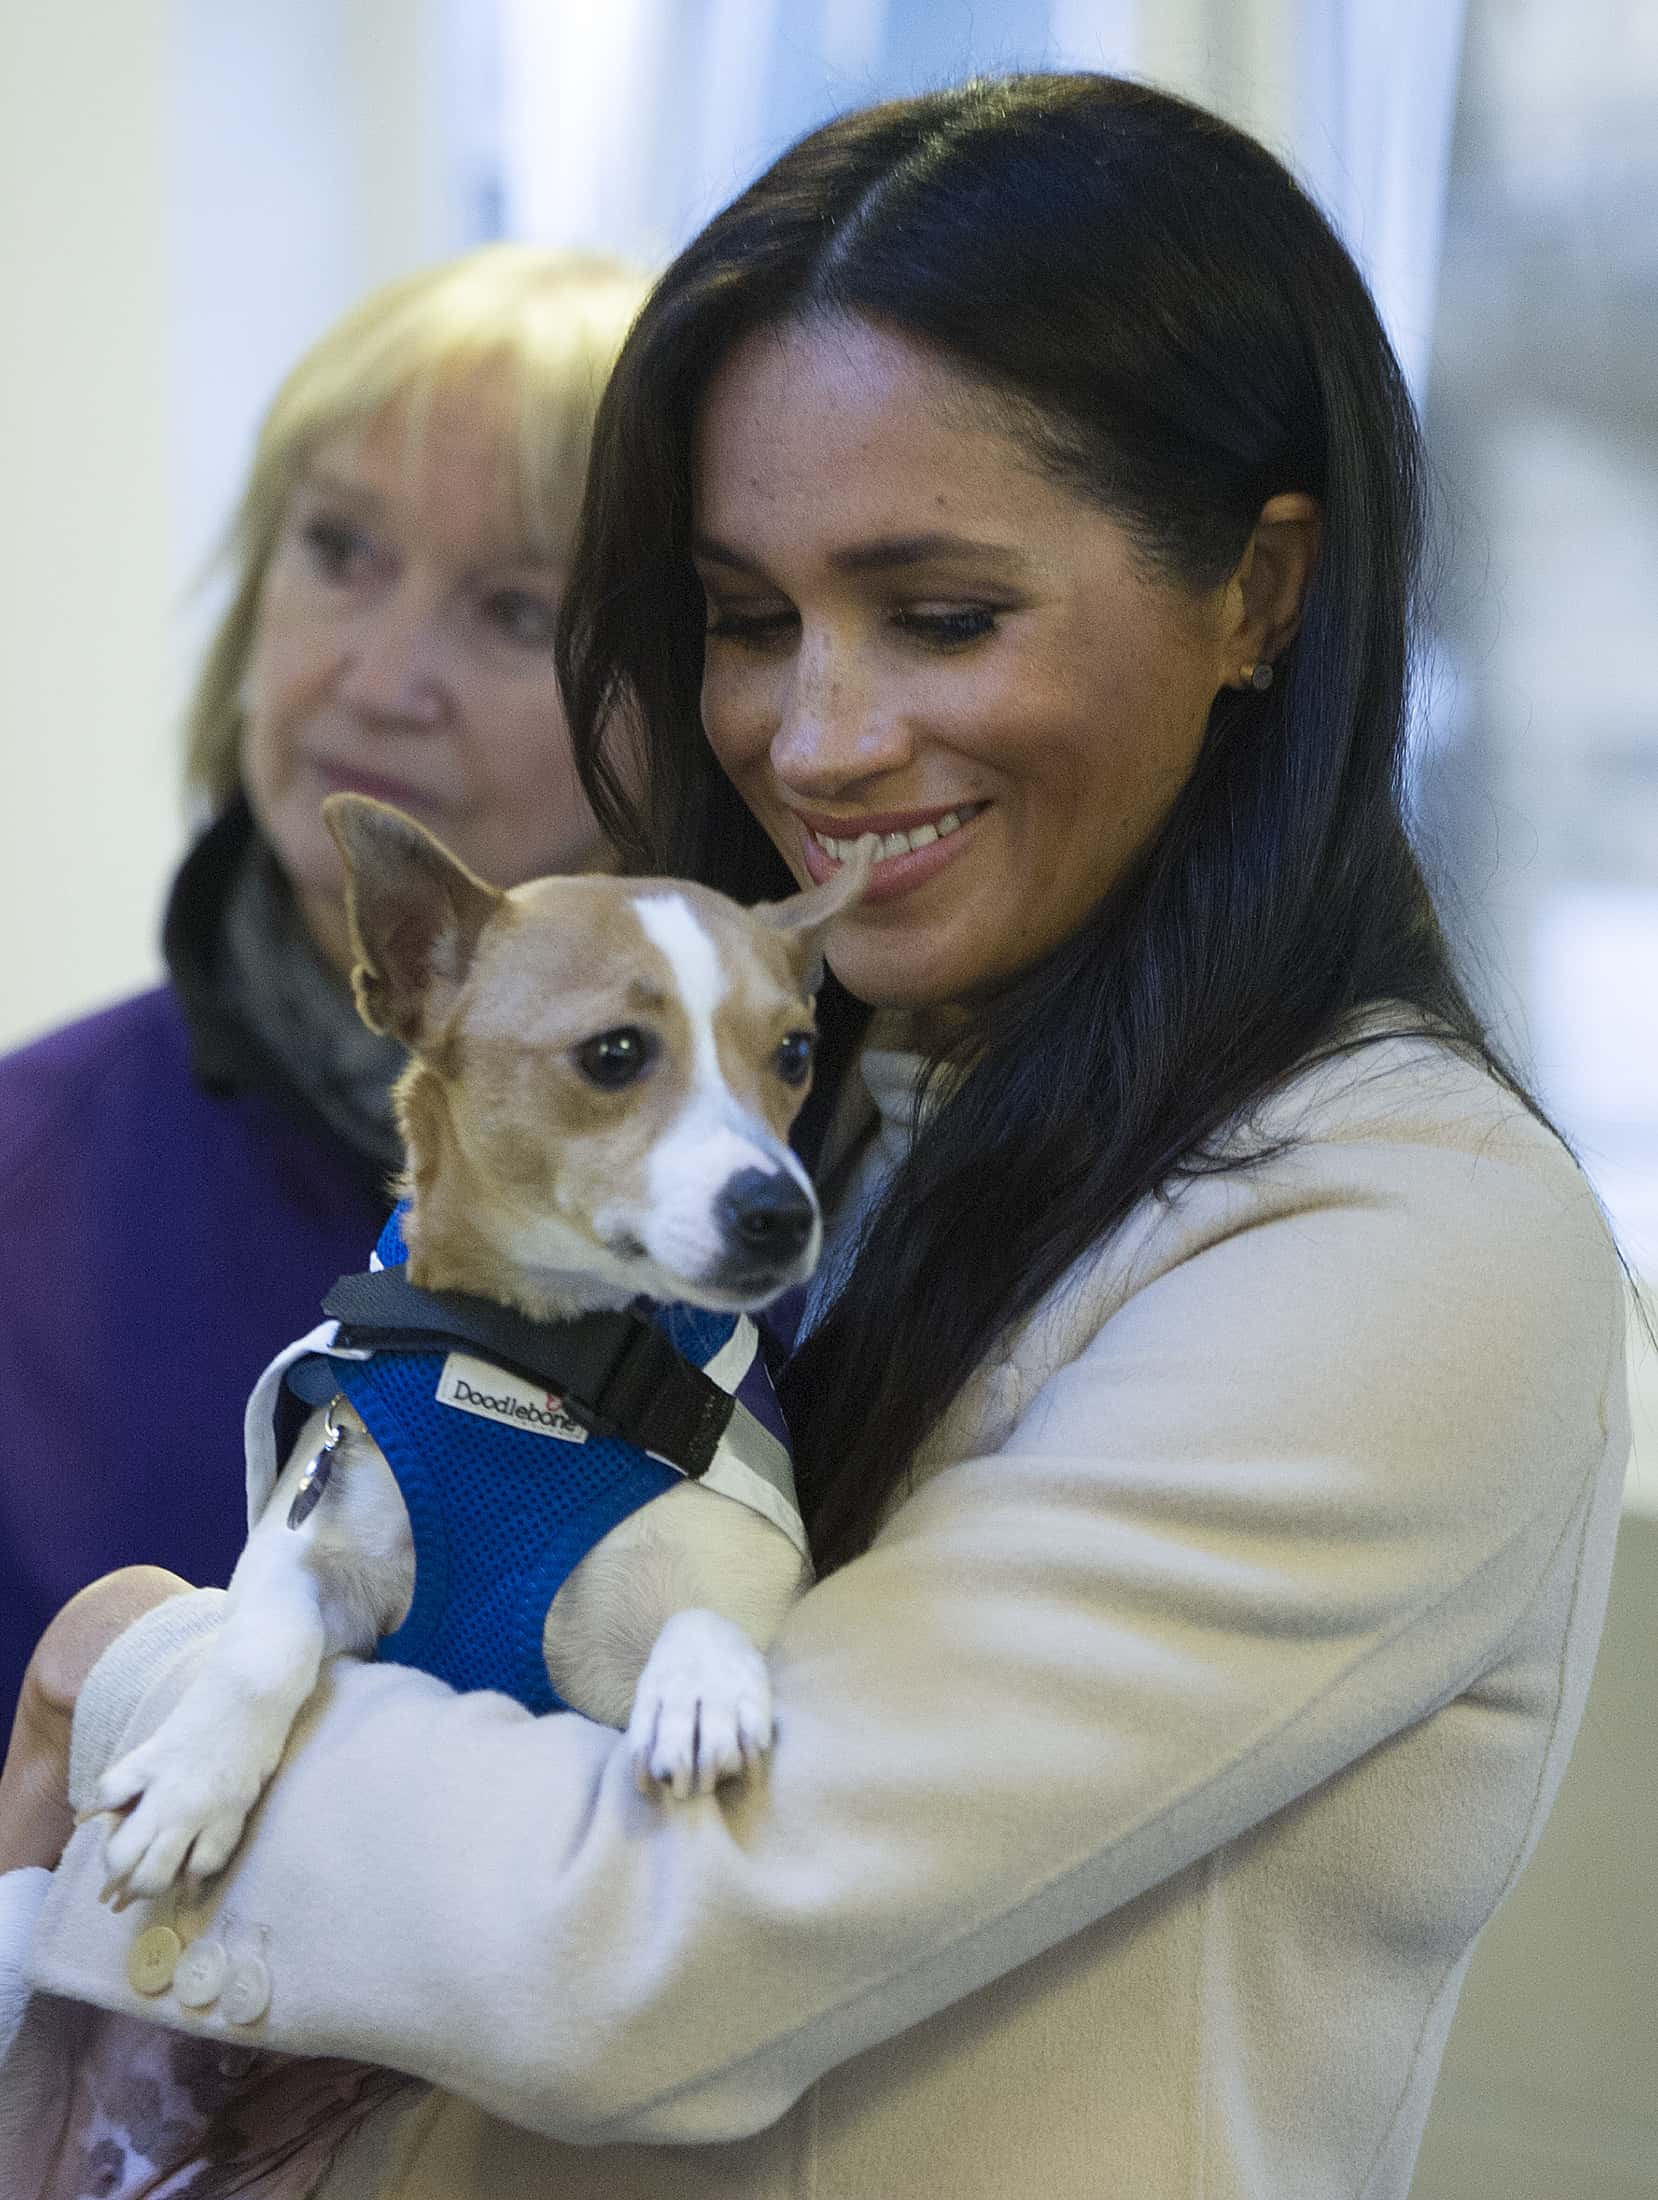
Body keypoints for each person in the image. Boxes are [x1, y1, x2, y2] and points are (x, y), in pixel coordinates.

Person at [0, 74, 1631, 2200]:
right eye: (748, 621)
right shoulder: (835, 1112)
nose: (817, 735)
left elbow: (661, 1934)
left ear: (1259, 595)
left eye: (940, 614)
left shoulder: (1401, 1234)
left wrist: (136, 1675)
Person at [0, 247, 648, 1712]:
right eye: (340, 550)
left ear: (662, 704)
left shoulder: (817, 1203)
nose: (376, 677)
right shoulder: (23, 1185)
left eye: (512, 612)